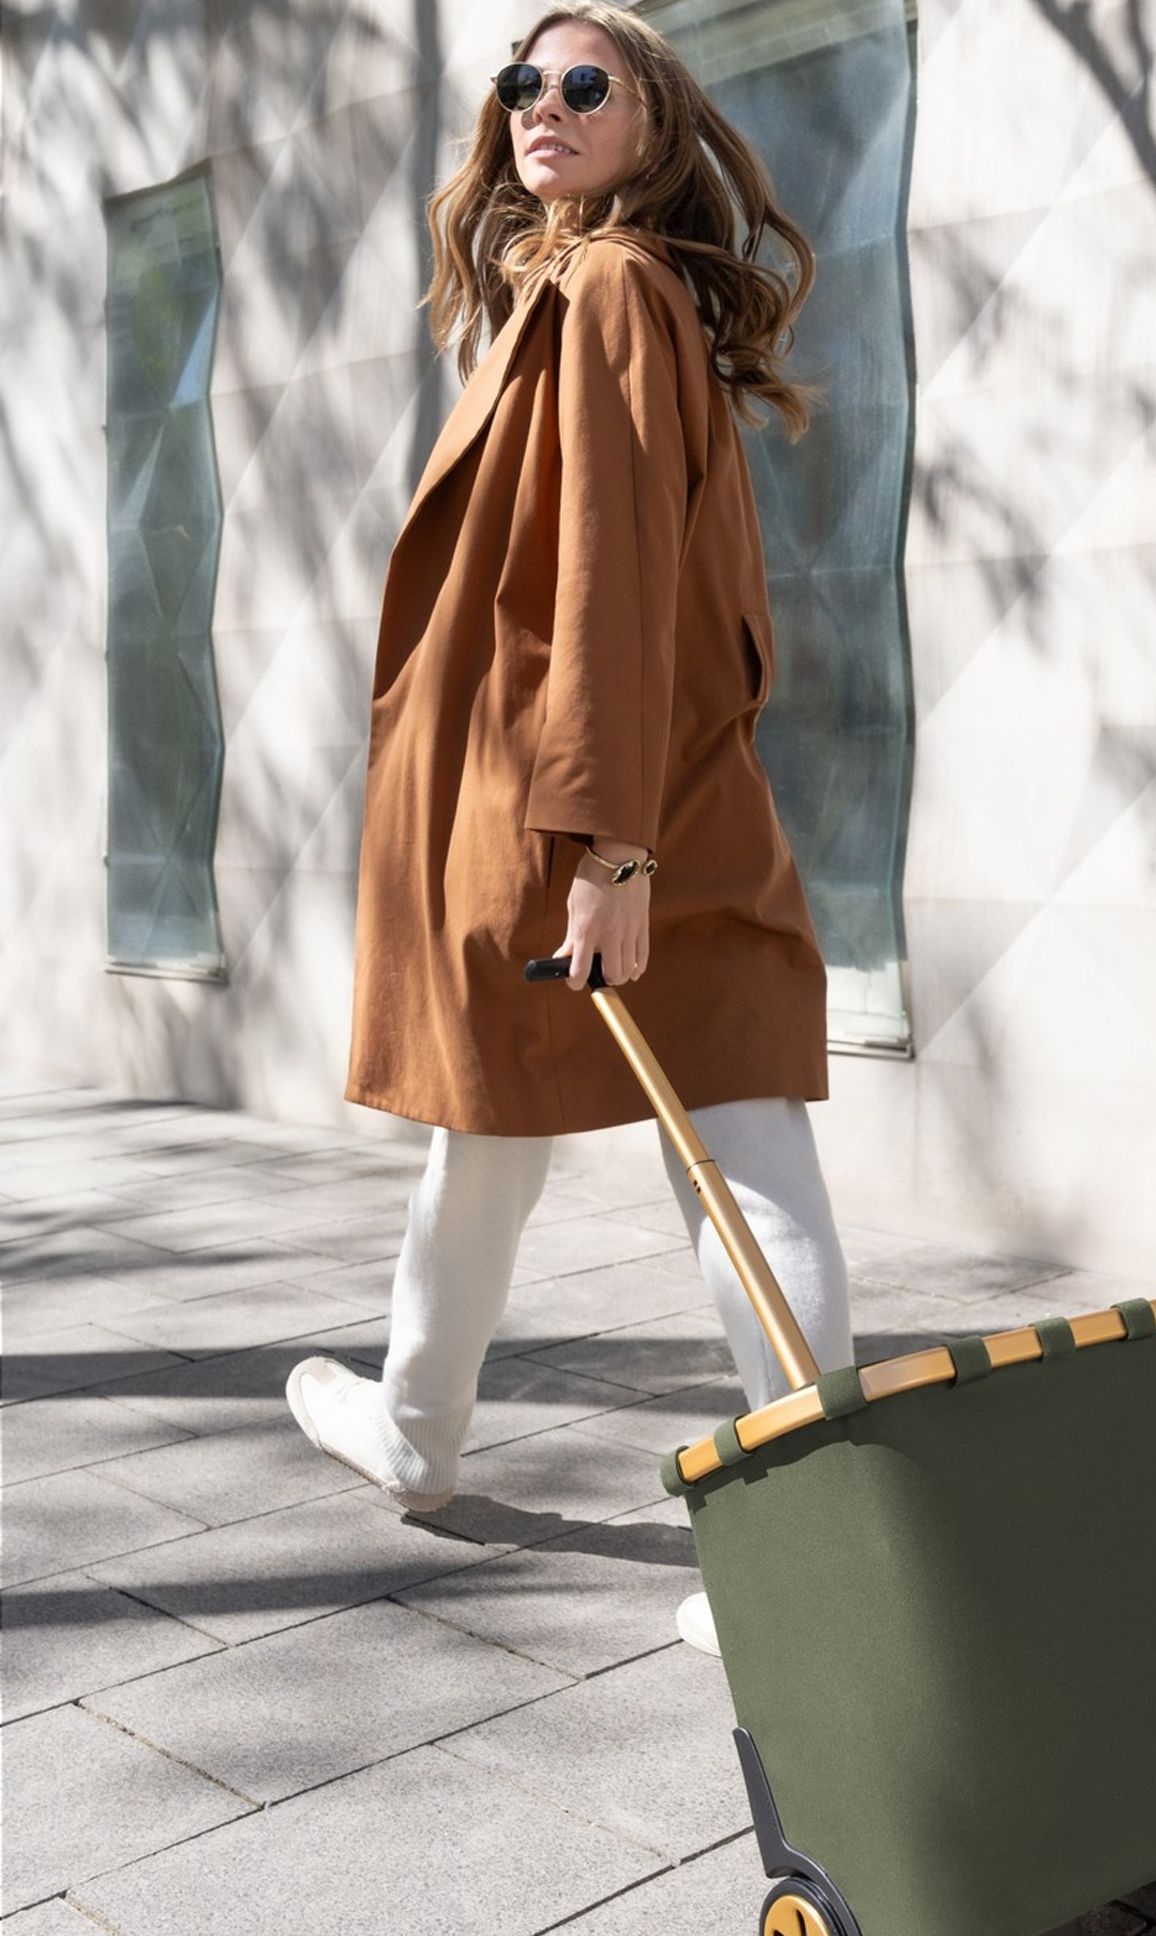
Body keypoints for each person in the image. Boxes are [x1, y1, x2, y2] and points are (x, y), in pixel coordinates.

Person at [284, 3, 852, 1659]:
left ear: (650, 122)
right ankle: (417, 1431)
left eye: (584, 83)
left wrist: (608, 848)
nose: (543, 103)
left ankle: (786, 1543)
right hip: (608, 794)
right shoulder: (573, 297)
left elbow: (613, 579)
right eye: (521, 81)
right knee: (536, 1145)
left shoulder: (607, 290)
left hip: (598, 803)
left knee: (720, 1153)